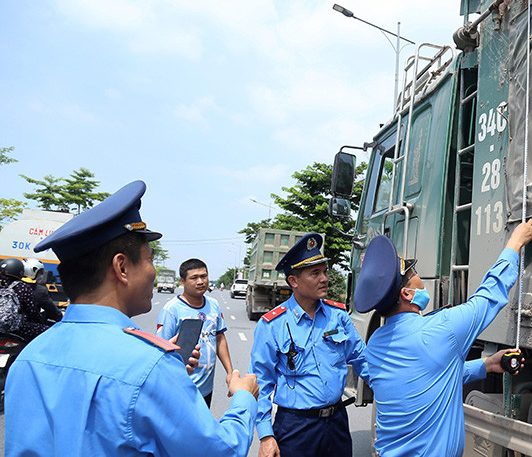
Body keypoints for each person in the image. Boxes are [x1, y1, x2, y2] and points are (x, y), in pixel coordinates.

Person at [4, 180, 260, 456]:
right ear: (122, 267)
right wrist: (244, 397)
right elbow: (221, 451)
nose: (153, 271)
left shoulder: (29, 358)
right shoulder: (151, 366)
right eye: (150, 259)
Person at [354, 219, 532, 457]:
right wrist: (515, 243)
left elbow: (429, 378)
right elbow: (489, 296)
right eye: (415, 275)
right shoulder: (441, 330)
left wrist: (486, 365)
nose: (421, 280)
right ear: (407, 294)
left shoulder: (377, 344)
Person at [249, 233, 370, 457]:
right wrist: (266, 436)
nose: (324, 278)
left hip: (336, 424)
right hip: (296, 428)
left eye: (324, 271)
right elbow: (261, 383)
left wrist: (395, 386)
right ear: (293, 281)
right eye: (315, 273)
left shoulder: (338, 316)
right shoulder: (273, 325)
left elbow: (362, 359)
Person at [156, 258, 232, 408]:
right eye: (194, 278)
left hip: (206, 390)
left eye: (204, 276)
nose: (200, 281)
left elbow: (219, 338)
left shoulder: (214, 305)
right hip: (181, 389)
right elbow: (161, 349)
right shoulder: (171, 310)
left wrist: (229, 371)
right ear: (182, 281)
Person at [0, 258, 50, 340]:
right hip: (16, 328)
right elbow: (32, 311)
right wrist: (40, 320)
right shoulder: (22, 287)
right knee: (47, 331)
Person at [22, 257, 63, 323]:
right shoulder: (39, 290)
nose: (40, 275)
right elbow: (52, 311)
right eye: (40, 272)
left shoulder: (11, 285)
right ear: (33, 271)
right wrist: (60, 316)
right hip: (28, 327)